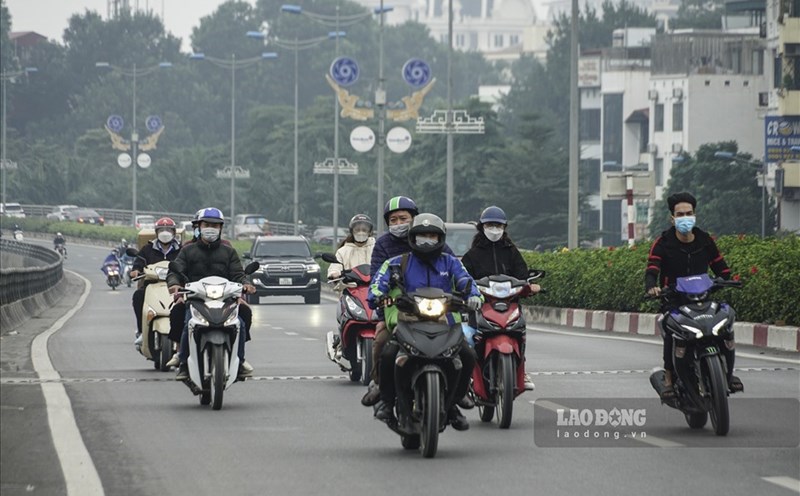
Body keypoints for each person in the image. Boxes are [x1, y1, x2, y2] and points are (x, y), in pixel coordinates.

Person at [368, 213, 481, 431]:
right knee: (389, 354)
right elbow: (377, 284)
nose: (427, 240)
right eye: (422, 236)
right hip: (408, 321)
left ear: (441, 239)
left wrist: (474, 296)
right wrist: (378, 296)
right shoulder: (397, 263)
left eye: (432, 236)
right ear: (412, 238)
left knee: (468, 355)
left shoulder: (451, 263)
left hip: (445, 322)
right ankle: (387, 401)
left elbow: (467, 282)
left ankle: (455, 401)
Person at [645, 192, 741, 399]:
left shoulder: (705, 240)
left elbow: (720, 267)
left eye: (689, 213)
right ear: (672, 218)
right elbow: (652, 268)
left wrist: (726, 278)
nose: (685, 218)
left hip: (705, 300)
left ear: (695, 215)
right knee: (671, 331)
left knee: (726, 323)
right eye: (680, 214)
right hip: (675, 302)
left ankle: (729, 373)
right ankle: (669, 378)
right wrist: (652, 286)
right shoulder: (663, 242)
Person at [361, 196, 455, 407]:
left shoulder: (435, 242)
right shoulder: (384, 246)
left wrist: (468, 296)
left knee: (462, 346)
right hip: (398, 310)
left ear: (415, 219)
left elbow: (456, 273)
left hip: (435, 309)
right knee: (381, 344)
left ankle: (457, 394)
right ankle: (381, 385)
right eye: (392, 220)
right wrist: (382, 302)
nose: (398, 224)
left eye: (402, 218)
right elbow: (377, 278)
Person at [166, 208, 256, 380]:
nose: (210, 228)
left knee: (242, 320)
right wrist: (174, 284)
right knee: (187, 323)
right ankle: (183, 361)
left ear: (221, 228)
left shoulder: (228, 252)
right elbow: (175, 272)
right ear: (198, 226)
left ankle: (240, 359)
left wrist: (246, 284)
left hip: (225, 299)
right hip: (196, 299)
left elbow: (238, 274)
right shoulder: (187, 251)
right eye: (207, 224)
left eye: (215, 225)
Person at [460, 205, 540, 391]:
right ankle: (471, 373)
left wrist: (529, 286)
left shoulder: (511, 252)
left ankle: (522, 369)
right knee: (471, 339)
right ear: (482, 227)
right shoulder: (472, 255)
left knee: (520, 334)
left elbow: (522, 274)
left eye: (498, 225)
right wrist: (466, 290)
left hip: (510, 304)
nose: (494, 229)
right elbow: (464, 277)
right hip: (481, 305)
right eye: (490, 225)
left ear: (504, 228)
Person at [326, 214, 376, 361]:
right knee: (343, 314)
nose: (361, 232)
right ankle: (341, 342)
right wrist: (335, 273)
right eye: (358, 229)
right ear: (352, 231)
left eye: (364, 229)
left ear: (370, 231)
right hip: (351, 291)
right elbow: (335, 266)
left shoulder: (377, 247)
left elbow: (386, 263)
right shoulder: (343, 251)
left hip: (375, 291)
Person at [130, 217, 182, 350]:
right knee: (138, 296)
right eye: (162, 230)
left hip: (174, 286)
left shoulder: (181, 250)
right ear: (156, 232)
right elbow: (138, 263)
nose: (165, 233)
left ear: (174, 232)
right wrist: (136, 271)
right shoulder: (147, 249)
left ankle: (183, 333)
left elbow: (187, 265)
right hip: (152, 285)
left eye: (168, 230)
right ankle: (142, 330)